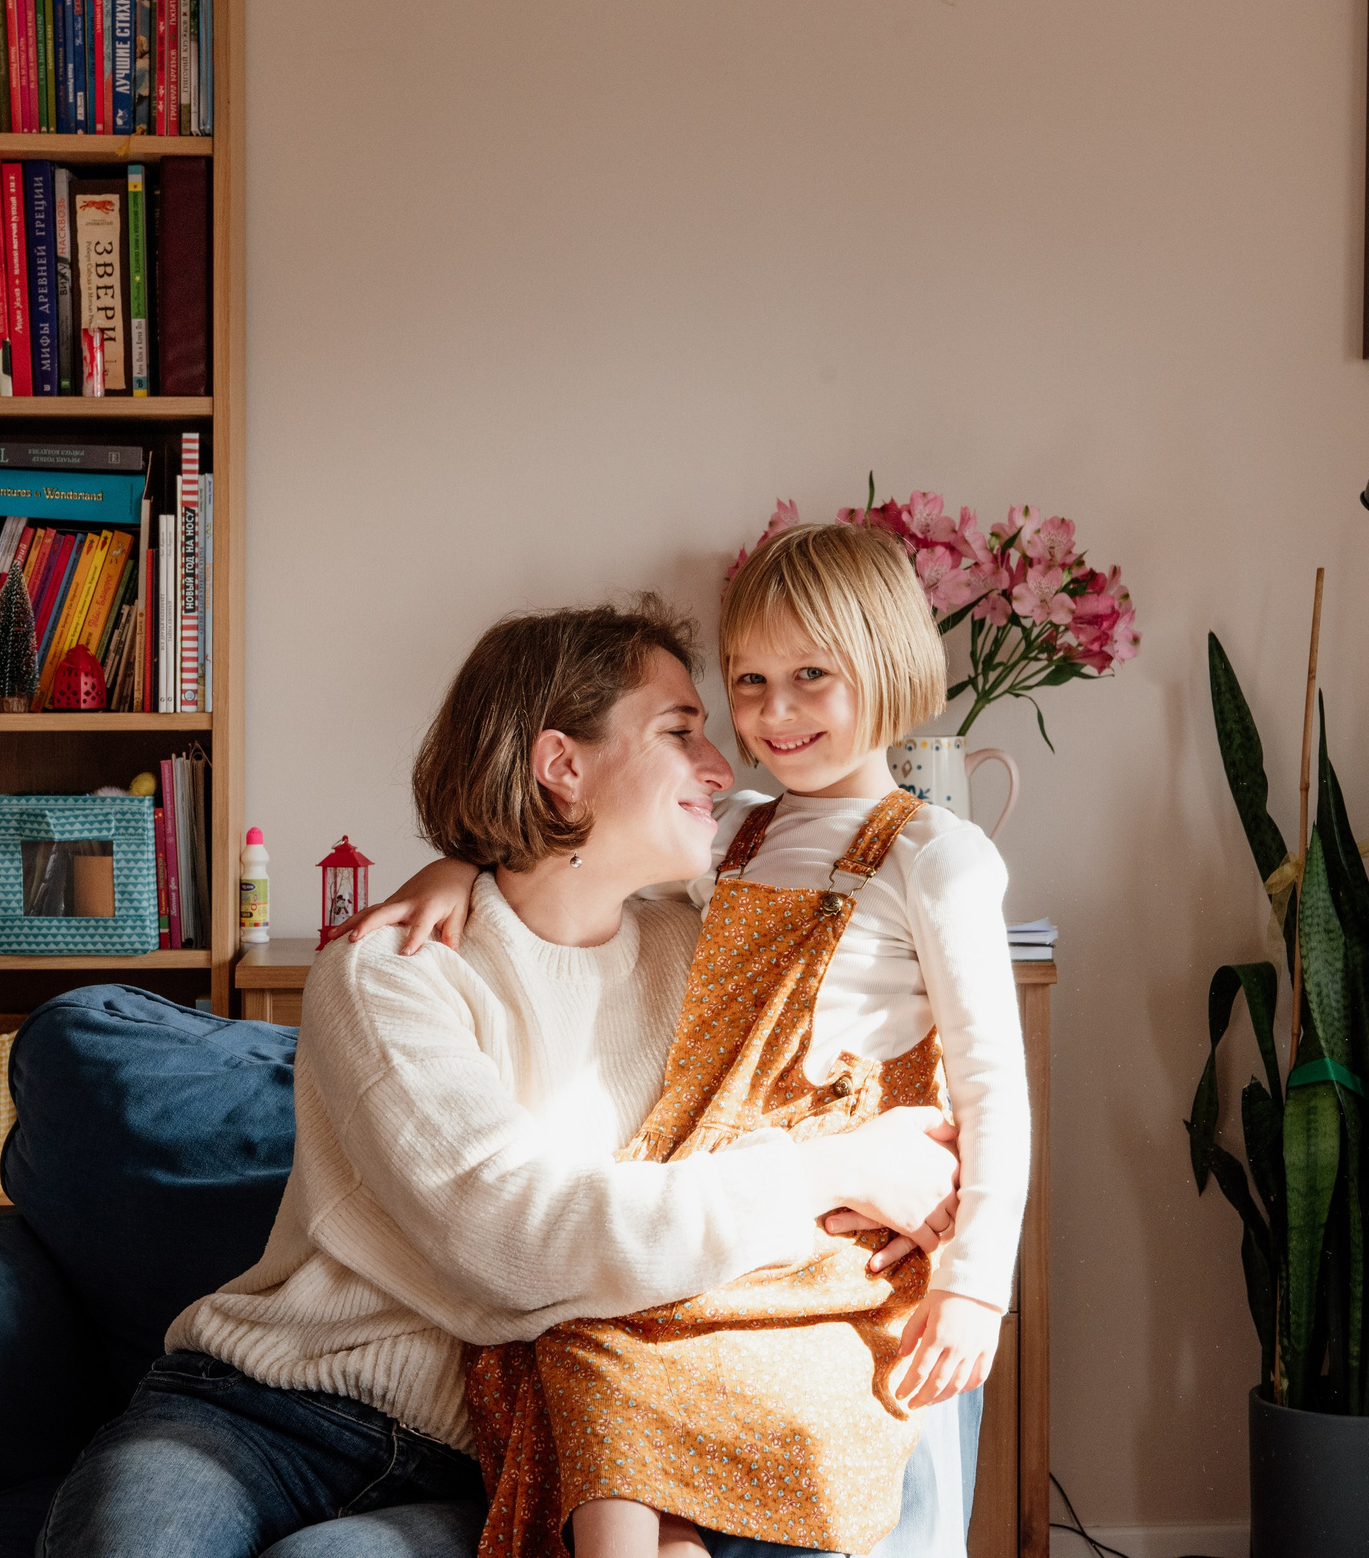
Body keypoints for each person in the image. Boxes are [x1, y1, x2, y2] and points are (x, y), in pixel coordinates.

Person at [39, 598, 969, 1558]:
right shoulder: (395, 968)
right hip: (264, 1409)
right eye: (681, 730)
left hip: (498, 1445)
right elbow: (512, 1235)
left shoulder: (709, 961)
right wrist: (826, 1172)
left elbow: (846, 916)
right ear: (562, 765)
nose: (721, 766)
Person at [367, 524, 1026, 1558]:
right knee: (593, 1357)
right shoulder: (734, 832)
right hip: (721, 1177)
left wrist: (976, 1284)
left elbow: (993, 1082)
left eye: (811, 675)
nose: (772, 711)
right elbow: (565, 850)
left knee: (641, 1374)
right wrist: (456, 867)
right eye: (752, 680)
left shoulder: (935, 853)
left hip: (836, 1216)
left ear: (890, 667)